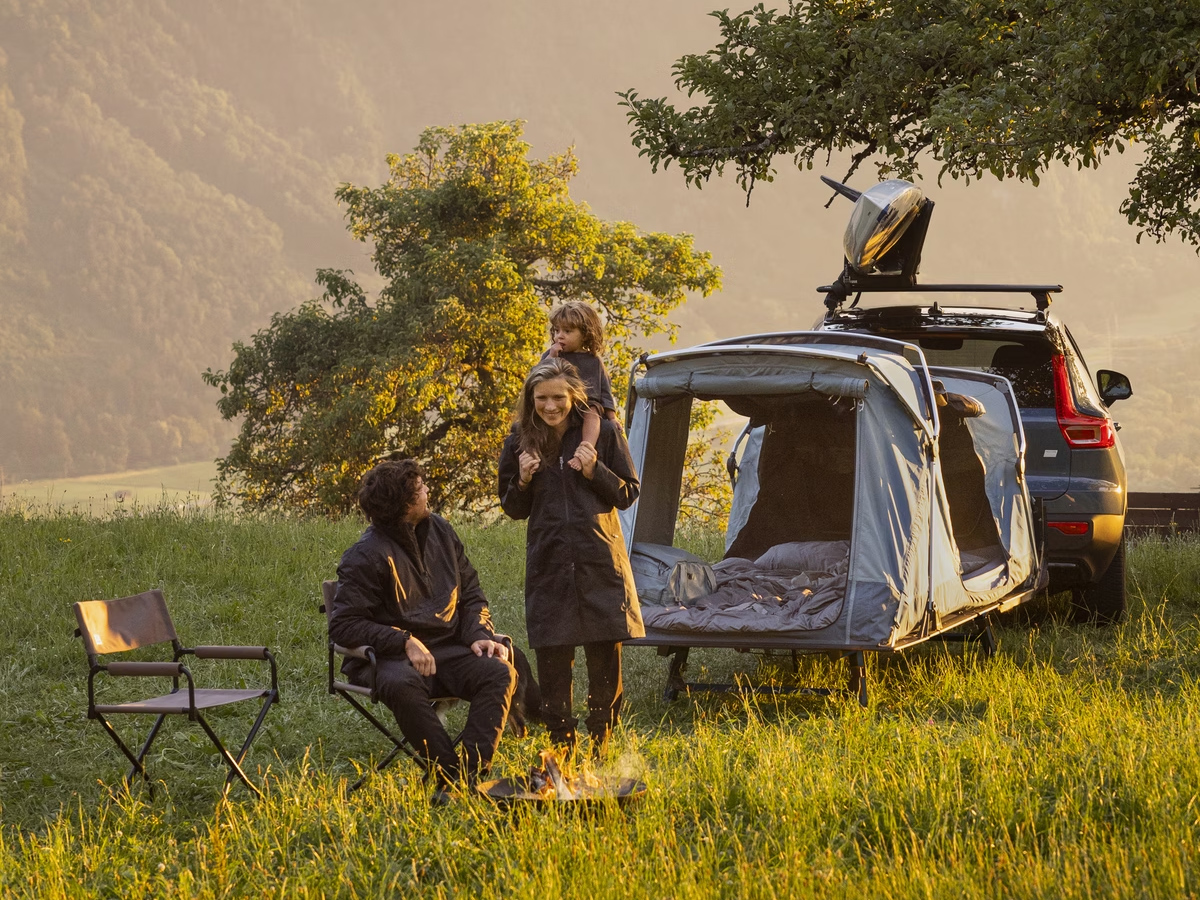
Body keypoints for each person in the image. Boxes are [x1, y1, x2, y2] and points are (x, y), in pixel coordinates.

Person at [329, 459, 517, 798]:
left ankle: (472, 778)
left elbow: (472, 595)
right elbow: (343, 625)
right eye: (420, 489)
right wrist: (403, 640)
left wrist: (478, 634)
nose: (428, 491)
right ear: (404, 505)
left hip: (449, 651)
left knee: (498, 671)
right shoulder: (364, 555)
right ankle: (448, 776)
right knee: (401, 683)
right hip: (389, 660)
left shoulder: (441, 531)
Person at [497, 357, 644, 753]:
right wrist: (523, 479)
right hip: (549, 563)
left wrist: (595, 470)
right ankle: (562, 745)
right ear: (530, 399)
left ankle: (601, 743)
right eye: (542, 399)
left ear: (574, 396)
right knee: (553, 662)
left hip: (600, 560)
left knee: (604, 662)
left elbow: (628, 492)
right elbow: (512, 507)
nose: (550, 406)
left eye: (558, 398)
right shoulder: (519, 440)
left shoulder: (605, 433)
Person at [542, 301, 621, 471]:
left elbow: (605, 391)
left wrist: (612, 417)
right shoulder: (553, 355)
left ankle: (584, 451)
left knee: (592, 412)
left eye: (567, 331)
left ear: (585, 334)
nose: (559, 336)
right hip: (560, 405)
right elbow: (538, 377)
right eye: (556, 330)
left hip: (586, 405)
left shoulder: (594, 361)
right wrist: (552, 357)